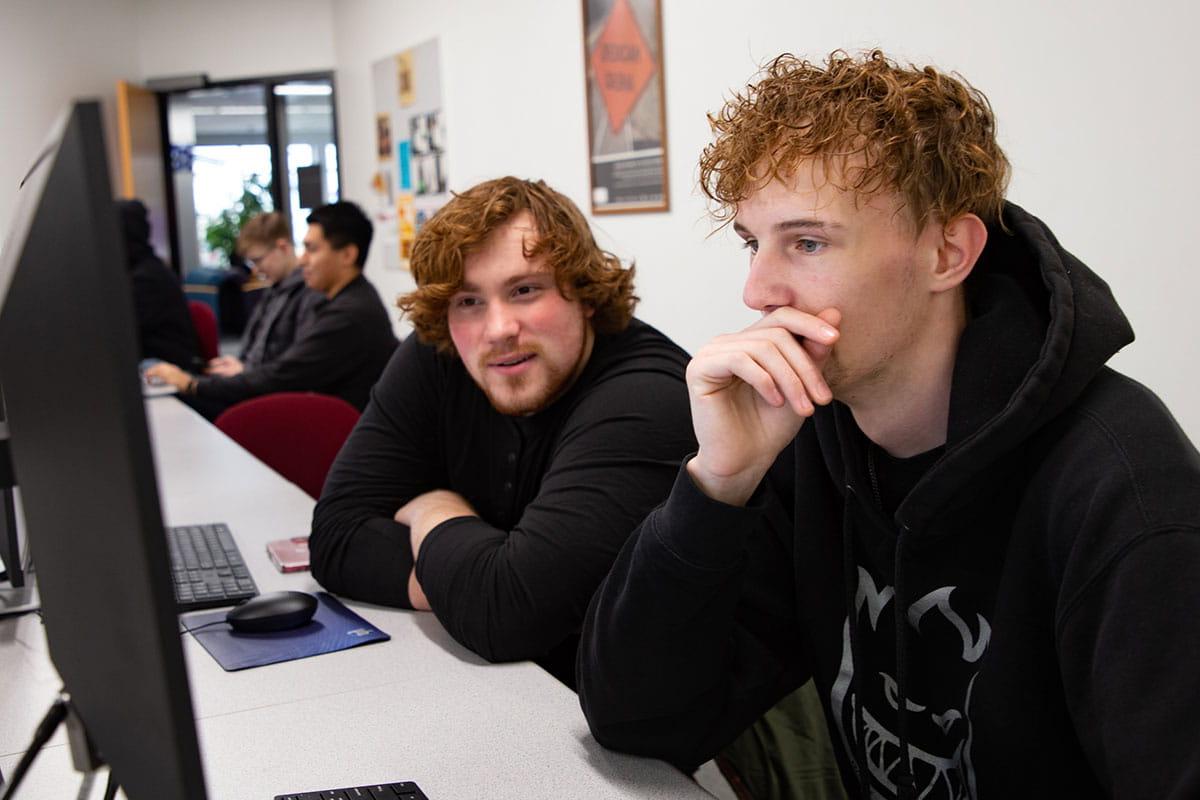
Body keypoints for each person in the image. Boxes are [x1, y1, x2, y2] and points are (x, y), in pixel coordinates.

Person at [577, 50, 1200, 799]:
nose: (757, 290)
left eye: (806, 243)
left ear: (947, 252)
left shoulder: (1128, 494)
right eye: (753, 243)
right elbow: (635, 723)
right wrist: (717, 484)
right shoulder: (809, 437)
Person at [308, 177, 696, 687]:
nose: (497, 329)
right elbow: (334, 538)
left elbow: (508, 615)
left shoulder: (647, 395)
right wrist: (477, 576)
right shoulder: (440, 352)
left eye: (525, 290)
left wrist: (433, 511)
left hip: (633, 727)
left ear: (584, 294)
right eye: (468, 301)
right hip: (489, 691)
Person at [147, 201, 397, 419]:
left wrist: (192, 384)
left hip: (325, 434)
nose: (302, 260)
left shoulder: (348, 315)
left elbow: (282, 377)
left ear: (347, 255)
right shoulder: (346, 301)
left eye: (312, 249)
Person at [205, 211, 323, 379]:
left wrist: (245, 372)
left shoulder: (309, 293)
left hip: (271, 389)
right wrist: (240, 364)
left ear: (283, 247)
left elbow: (294, 367)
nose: (255, 269)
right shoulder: (273, 290)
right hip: (252, 379)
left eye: (258, 260)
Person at [118, 199, 200, 371]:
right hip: (158, 362)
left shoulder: (146, 278)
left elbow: (123, 334)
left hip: (168, 367)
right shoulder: (146, 267)